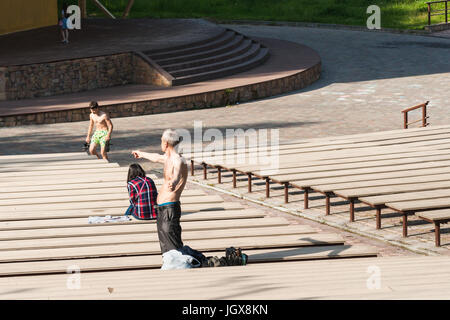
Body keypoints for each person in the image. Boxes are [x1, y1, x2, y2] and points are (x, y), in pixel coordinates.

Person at [132, 129, 188, 254]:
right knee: (166, 246)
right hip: (162, 208)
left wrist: (173, 182)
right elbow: (156, 157)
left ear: (166, 143)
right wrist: (141, 153)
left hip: (170, 208)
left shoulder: (178, 159)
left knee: (173, 245)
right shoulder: (168, 157)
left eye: (161, 141)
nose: (161, 143)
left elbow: (177, 174)